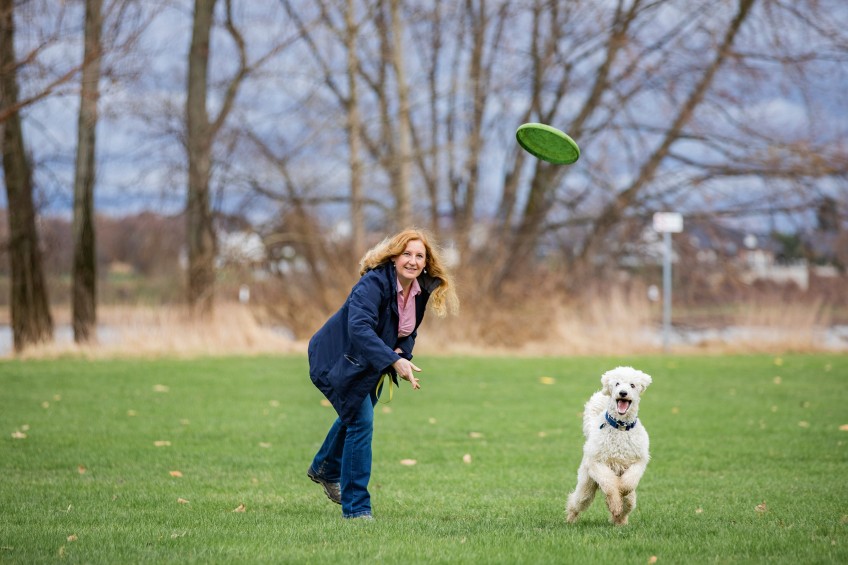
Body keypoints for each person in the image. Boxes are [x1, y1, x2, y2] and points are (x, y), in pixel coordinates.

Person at [306, 228, 459, 520]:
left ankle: (324, 467)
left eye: (419, 256)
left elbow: (408, 331)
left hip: (369, 363)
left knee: (352, 417)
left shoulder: (418, 291)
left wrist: (401, 354)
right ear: (394, 257)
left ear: (426, 262)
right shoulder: (373, 284)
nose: (412, 261)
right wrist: (392, 360)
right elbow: (359, 329)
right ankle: (357, 509)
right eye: (407, 254)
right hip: (335, 360)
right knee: (360, 421)